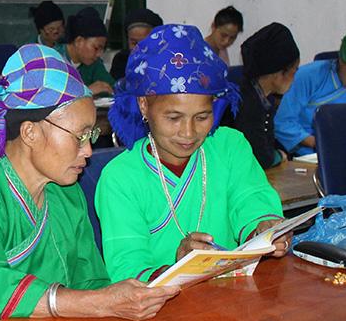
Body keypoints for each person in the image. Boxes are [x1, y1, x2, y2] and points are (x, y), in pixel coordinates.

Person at [0, 44, 180, 321]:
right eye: (79, 136)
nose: (88, 151)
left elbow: (90, 280)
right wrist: (98, 304)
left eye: (91, 136)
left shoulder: (65, 192)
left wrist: (132, 292)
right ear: (30, 132)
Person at [95, 25, 288, 283]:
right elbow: (126, 265)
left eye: (202, 117)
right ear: (144, 105)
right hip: (160, 313)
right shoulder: (120, 178)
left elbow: (251, 199)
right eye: (173, 118)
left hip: (233, 296)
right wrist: (180, 268)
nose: (188, 133)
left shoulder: (230, 147)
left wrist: (264, 227)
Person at [273, 30, 346, 157]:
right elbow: (282, 122)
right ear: (341, 62)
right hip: (308, 156)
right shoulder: (308, 76)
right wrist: (320, 144)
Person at [233, 22, 300, 169]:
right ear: (278, 73)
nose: (294, 78)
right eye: (294, 71)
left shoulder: (260, 97)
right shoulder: (247, 103)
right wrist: (279, 156)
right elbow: (260, 158)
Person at [61, 7, 113, 96]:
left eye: (102, 50)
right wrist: (86, 91)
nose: (99, 54)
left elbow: (111, 87)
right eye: (96, 48)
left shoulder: (95, 63)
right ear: (79, 41)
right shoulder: (54, 59)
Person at [109, 7, 163, 81]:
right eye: (134, 43)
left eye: (144, 43)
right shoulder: (121, 60)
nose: (139, 48)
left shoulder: (164, 60)